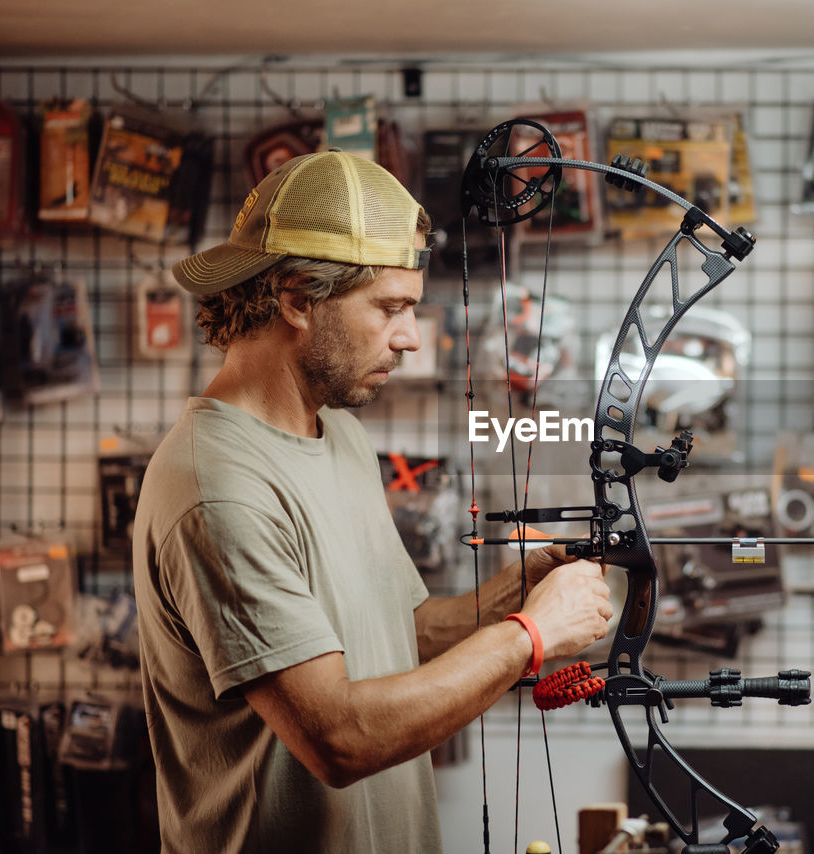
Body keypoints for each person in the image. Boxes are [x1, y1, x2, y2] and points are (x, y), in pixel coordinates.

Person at [131, 150, 613, 854]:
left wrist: (519, 590)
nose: (411, 338)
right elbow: (337, 738)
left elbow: (399, 633)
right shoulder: (217, 487)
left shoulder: (343, 437)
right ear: (296, 297)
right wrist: (531, 637)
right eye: (390, 308)